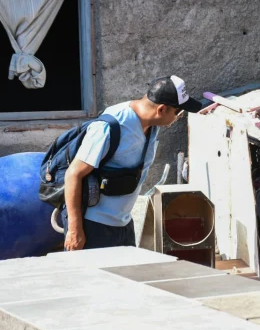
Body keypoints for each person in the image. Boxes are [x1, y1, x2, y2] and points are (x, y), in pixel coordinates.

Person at [62, 75, 201, 251]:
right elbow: (73, 173)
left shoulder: (152, 125)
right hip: (93, 226)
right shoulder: (111, 126)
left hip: (124, 224)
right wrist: (75, 230)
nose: (177, 118)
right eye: (177, 113)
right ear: (162, 109)